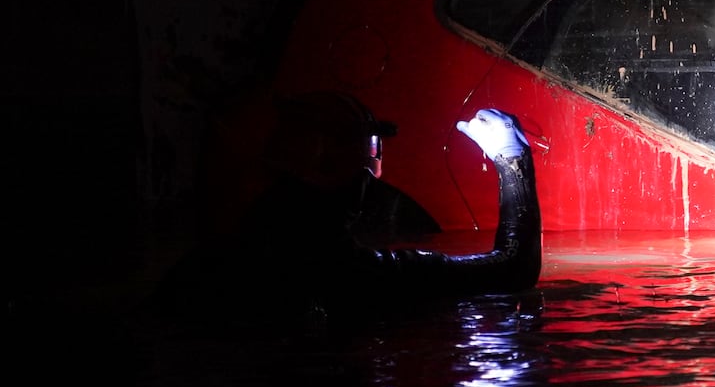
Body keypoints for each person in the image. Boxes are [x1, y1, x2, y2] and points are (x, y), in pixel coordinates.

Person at [157, 91, 543, 327]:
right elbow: (513, 267)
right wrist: (513, 160)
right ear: (353, 175)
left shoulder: (202, 270)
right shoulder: (355, 274)